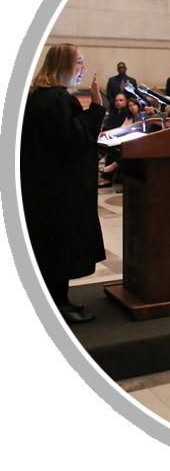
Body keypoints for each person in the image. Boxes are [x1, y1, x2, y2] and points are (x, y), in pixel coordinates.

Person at [21, 43, 106, 324]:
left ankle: (59, 301)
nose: (83, 68)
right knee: (58, 246)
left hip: (45, 185)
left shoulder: (40, 96)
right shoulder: (57, 99)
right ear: (62, 65)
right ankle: (57, 305)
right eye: (78, 62)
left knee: (50, 246)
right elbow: (76, 142)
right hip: (58, 190)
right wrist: (96, 108)